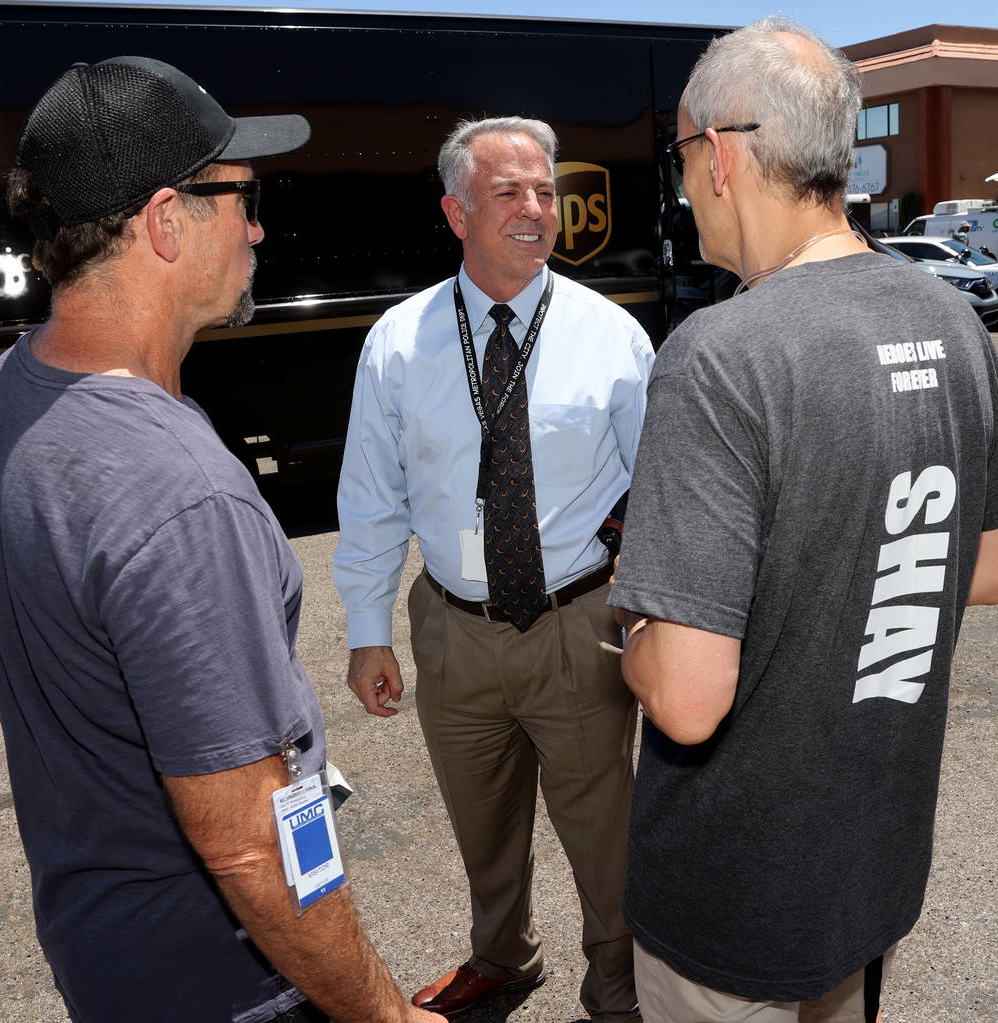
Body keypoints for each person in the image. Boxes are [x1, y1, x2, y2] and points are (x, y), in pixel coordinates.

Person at [0, 56, 444, 1023]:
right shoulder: (176, 490)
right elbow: (252, 845)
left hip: (103, 949)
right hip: (231, 983)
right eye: (243, 196)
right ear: (168, 220)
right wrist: (384, 1014)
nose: (258, 226)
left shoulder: (1, 397)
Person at [608, 18, 998, 1023]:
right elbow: (989, 566)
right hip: (872, 865)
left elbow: (686, 701)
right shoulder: (949, 320)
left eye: (680, 156)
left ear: (719, 151)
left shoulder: (722, 353)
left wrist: (633, 625)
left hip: (733, 901)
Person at [333, 116, 653, 1022]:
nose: (535, 210)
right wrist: (369, 633)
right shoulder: (399, 342)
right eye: (508, 192)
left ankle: (619, 981)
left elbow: (658, 485)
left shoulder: (611, 337)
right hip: (454, 629)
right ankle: (503, 957)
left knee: (604, 832)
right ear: (456, 211)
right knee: (482, 825)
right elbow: (371, 499)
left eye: (546, 192)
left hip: (577, 623)